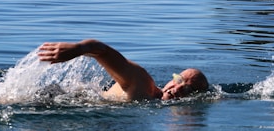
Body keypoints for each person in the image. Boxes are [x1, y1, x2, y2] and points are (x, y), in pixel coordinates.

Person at [37, 39, 208, 101]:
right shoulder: (142, 83)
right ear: (172, 79)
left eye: (187, 88)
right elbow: (101, 49)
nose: (177, 88)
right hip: (53, 98)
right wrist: (79, 48)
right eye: (179, 80)